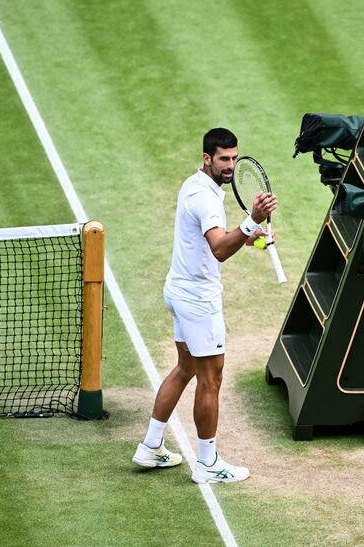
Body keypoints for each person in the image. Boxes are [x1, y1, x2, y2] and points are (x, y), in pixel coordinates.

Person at [132, 127, 276, 484]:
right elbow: (219, 250)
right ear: (206, 158)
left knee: (186, 369)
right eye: (223, 159)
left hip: (179, 290)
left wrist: (248, 236)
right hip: (197, 300)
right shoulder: (206, 199)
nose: (230, 166)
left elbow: (221, 242)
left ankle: (150, 446)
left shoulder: (194, 185)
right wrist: (252, 220)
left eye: (233, 158)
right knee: (211, 380)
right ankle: (208, 463)